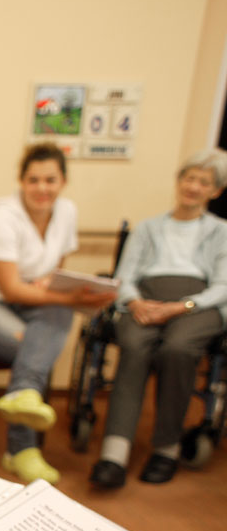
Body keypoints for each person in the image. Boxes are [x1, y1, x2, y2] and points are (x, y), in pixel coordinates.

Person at [0, 142, 117, 484]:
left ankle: (23, 411)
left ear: (63, 181)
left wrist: (66, 293)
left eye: (50, 180)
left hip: (22, 300)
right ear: (21, 181)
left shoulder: (66, 212)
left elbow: (55, 272)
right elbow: (10, 288)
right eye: (33, 180)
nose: (42, 189)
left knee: (54, 320)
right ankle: (22, 449)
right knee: (36, 345)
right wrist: (71, 299)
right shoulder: (0, 218)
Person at [89, 149, 227, 489]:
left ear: (216, 191)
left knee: (178, 349)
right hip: (146, 298)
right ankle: (114, 453)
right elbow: (125, 276)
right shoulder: (148, 228)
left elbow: (224, 284)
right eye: (189, 178)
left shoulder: (221, 231)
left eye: (203, 182)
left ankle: (166, 448)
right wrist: (135, 302)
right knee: (133, 345)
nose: (193, 187)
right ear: (179, 181)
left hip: (199, 304)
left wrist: (182, 307)